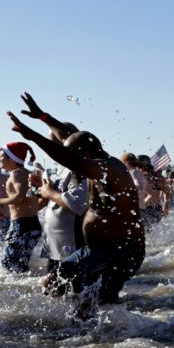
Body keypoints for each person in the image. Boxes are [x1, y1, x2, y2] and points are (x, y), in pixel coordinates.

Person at [8, 108, 144, 306]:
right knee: (55, 283)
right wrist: (44, 118)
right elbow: (69, 140)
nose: (65, 161)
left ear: (85, 155)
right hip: (95, 249)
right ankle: (88, 328)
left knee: (95, 300)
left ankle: (114, 334)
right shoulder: (94, 163)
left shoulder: (107, 167)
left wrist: (31, 135)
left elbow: (69, 156)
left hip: (118, 251)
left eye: (71, 156)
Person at [0, 141, 42, 273]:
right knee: (19, 267)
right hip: (33, 226)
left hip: (21, 226)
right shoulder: (28, 173)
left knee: (9, 267)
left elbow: (19, 196)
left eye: (1, 156)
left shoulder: (16, 173)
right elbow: (39, 198)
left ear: (11, 158)